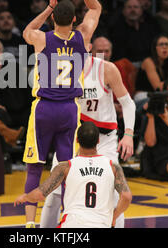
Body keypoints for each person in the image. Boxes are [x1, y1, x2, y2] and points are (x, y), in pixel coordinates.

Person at [22, 0, 102, 227]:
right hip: (69, 110)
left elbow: (26, 30)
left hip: (44, 109)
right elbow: (96, 8)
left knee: (35, 166)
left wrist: (48, 7)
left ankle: (30, 224)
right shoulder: (83, 37)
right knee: (68, 167)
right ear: (75, 18)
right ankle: (69, 218)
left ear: (53, 18)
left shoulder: (41, 39)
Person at [39, 47, 136, 228]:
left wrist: (128, 135)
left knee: (115, 192)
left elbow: (128, 103)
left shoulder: (106, 69)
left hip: (103, 139)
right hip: (72, 137)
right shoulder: (58, 69)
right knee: (53, 192)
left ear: (89, 46)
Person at [15, 122, 132, 228]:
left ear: (76, 140)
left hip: (73, 224)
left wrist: (26, 197)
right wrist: (114, 216)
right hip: (101, 224)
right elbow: (126, 196)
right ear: (98, 141)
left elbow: (40, 194)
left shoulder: (65, 167)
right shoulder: (113, 166)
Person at [109, 0, 160, 66]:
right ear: (124, 11)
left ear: (141, 11)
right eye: (129, 7)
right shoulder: (116, 29)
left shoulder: (150, 27)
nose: (132, 10)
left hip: (147, 64)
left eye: (136, 7)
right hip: (125, 65)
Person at [134, 34, 168, 111]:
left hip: (160, 96)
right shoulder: (148, 62)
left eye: (167, 44)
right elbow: (158, 87)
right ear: (155, 48)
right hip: (144, 95)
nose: (164, 47)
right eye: (161, 44)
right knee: (164, 104)